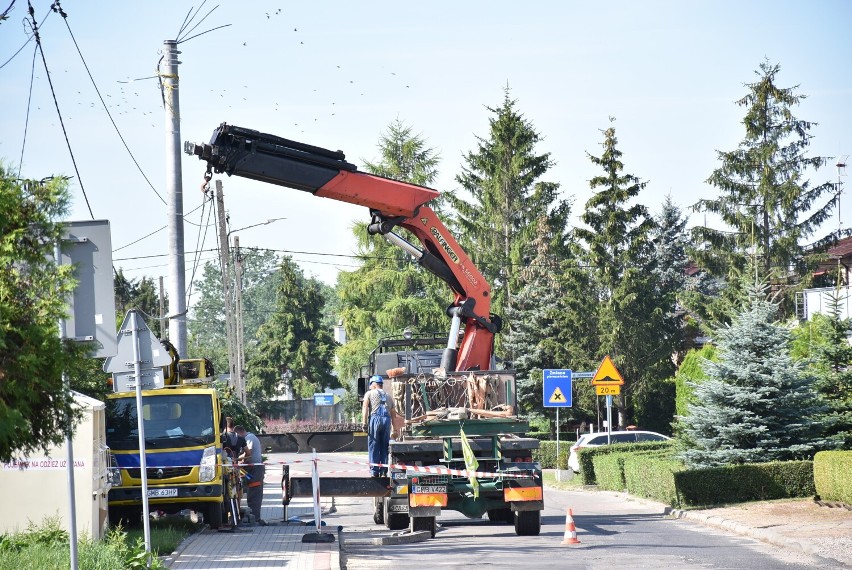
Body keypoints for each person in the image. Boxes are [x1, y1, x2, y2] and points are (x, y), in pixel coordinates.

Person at [361, 375, 398, 477]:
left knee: (373, 445)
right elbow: (394, 415)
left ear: (373, 384)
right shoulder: (389, 396)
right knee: (384, 445)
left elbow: (365, 408)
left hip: (375, 419)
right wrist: (395, 429)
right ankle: (384, 471)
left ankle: (374, 471)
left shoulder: (369, 393)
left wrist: (364, 423)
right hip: (386, 420)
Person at [235, 425, 265, 525]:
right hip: (253, 469)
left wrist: (238, 461)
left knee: (254, 494)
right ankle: (254, 517)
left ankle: (255, 518)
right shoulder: (249, 438)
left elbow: (249, 453)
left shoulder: (249, 438)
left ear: (240, 432)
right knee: (252, 493)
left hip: (256, 470)